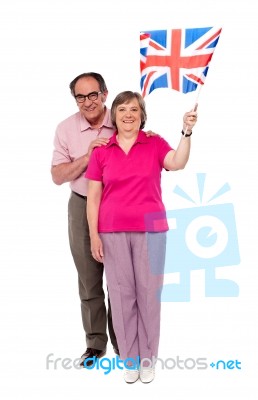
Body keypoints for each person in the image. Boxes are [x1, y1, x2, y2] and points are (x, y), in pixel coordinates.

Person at [86, 91, 198, 383]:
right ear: (115, 115)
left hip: (152, 230)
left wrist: (186, 131)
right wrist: (94, 235)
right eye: (122, 109)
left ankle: (148, 359)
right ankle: (130, 359)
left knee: (148, 295)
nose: (128, 114)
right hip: (111, 231)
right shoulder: (101, 151)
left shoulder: (154, 143)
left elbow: (177, 162)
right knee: (122, 298)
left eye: (134, 109)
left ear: (141, 114)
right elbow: (93, 198)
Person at [51, 73, 157, 367]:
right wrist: (88, 157)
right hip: (82, 204)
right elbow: (57, 176)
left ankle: (126, 343)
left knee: (124, 283)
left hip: (120, 212)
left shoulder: (123, 117)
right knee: (89, 280)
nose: (88, 102)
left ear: (105, 93)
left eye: (93, 94)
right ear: (75, 100)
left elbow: (150, 151)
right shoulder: (66, 129)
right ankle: (96, 344)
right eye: (81, 97)